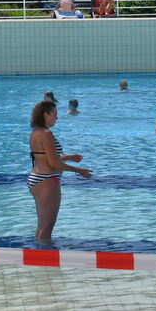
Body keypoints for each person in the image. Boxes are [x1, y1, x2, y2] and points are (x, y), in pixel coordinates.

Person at [28, 99, 92, 243]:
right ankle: (45, 260)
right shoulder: (46, 133)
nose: (57, 117)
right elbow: (53, 162)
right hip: (47, 181)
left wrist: (68, 157)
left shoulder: (35, 132)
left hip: (36, 179)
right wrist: (78, 170)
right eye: (54, 114)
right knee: (47, 228)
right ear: (45, 115)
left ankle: (37, 257)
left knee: (41, 226)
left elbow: (44, 157)